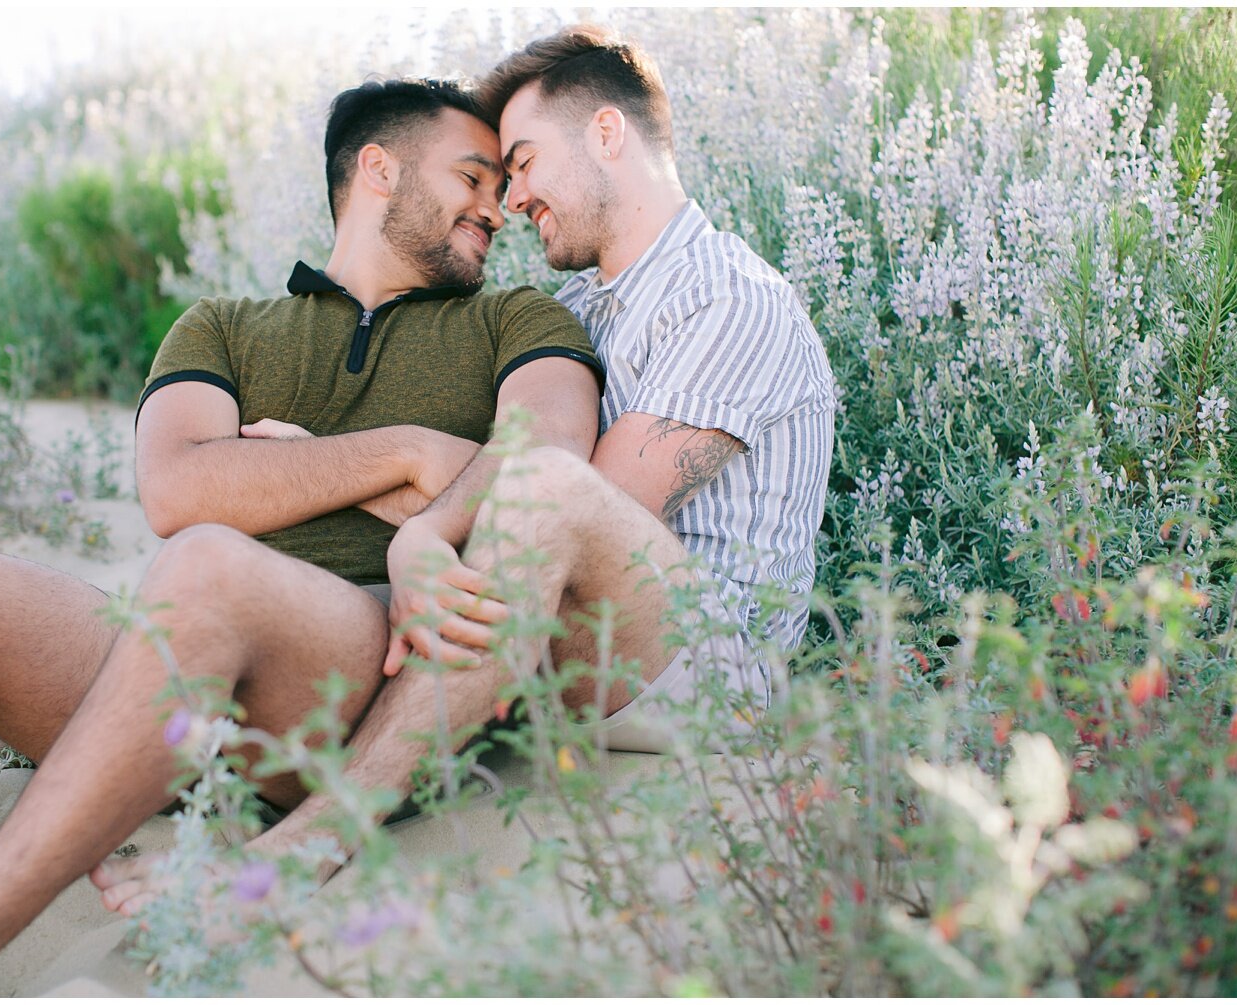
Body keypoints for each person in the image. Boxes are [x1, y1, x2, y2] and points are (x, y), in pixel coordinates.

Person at [0, 77, 605, 995]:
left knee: (209, 566)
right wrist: (406, 452)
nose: (497, 207)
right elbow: (177, 486)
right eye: (473, 177)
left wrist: (297, 469)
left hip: (368, 665)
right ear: (377, 168)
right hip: (175, 670)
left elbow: (545, 453)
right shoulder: (224, 327)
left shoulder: (516, 318)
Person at [93, 22, 836, 918]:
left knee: (542, 491)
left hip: (700, 674)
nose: (512, 198)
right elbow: (500, 485)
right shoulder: (584, 305)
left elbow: (570, 503)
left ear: (607, 135)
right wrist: (420, 495)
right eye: (492, 175)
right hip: (564, 650)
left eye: (522, 163)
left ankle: (306, 845)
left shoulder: (729, 300)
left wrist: (368, 489)